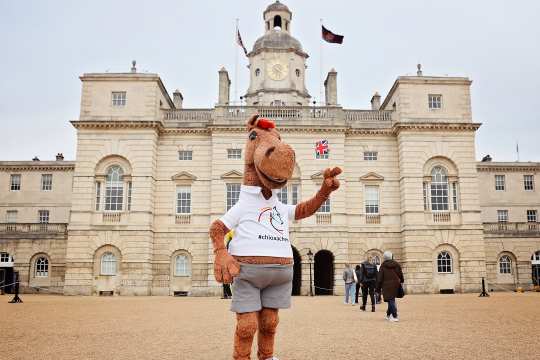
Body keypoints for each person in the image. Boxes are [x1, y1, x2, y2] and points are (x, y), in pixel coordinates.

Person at [376, 251, 404, 322]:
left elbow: (380, 278)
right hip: (395, 284)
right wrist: (402, 281)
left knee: (391, 300)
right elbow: (400, 274)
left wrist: (378, 289)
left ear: (384, 258)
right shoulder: (396, 264)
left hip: (386, 285)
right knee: (391, 299)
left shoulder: (383, 266)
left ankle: (395, 316)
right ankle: (388, 315)